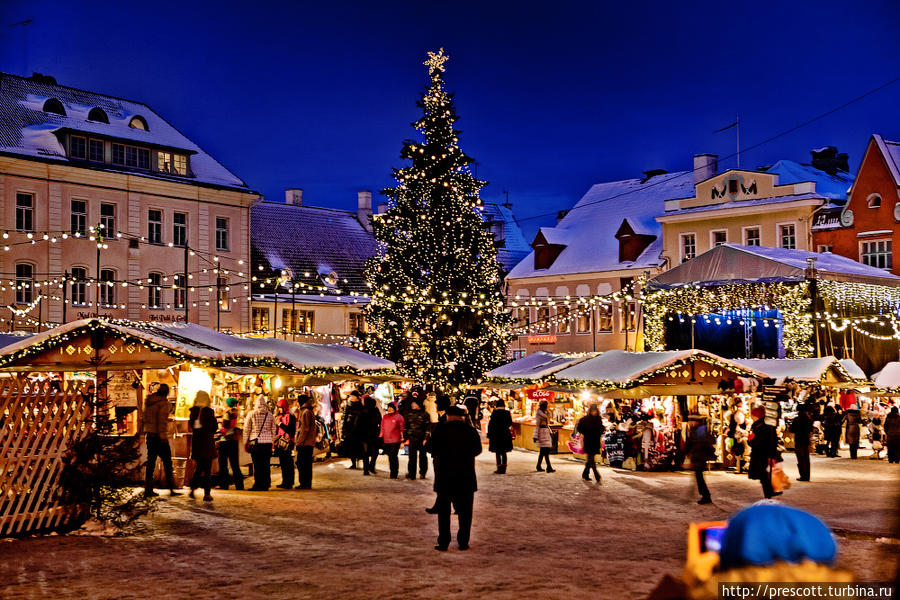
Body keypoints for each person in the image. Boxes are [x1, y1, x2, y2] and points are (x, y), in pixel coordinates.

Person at [426, 405, 482, 551]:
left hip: (445, 477)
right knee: (465, 513)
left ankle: (444, 542)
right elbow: (478, 449)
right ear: (461, 416)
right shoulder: (470, 430)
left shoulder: (440, 430)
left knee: (444, 513)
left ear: (448, 416)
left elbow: (430, 448)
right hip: (465, 477)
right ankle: (463, 542)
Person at [143, 383, 180, 497]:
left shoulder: (149, 402)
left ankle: (148, 489)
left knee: (151, 463)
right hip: (159, 437)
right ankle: (171, 488)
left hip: (150, 435)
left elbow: (145, 418)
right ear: (166, 393)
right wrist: (163, 437)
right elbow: (161, 422)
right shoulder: (163, 403)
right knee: (167, 463)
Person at [188, 390, 218, 501]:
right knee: (207, 469)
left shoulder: (193, 411)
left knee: (199, 467)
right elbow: (214, 427)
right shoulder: (209, 412)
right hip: (207, 443)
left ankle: (193, 488)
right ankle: (207, 493)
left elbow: (191, 425)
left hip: (197, 443)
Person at [243, 396, 276, 491]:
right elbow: (273, 429)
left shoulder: (251, 413)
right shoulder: (270, 414)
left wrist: (245, 442)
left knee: (257, 465)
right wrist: (272, 440)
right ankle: (266, 484)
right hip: (267, 442)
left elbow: (246, 429)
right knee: (266, 464)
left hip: (256, 442)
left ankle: (258, 485)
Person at [748, 405, 779, 499]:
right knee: (766, 474)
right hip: (768, 452)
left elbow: (756, 442)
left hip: (760, 454)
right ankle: (770, 491)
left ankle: (768, 493)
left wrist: (750, 440)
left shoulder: (758, 426)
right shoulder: (769, 424)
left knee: (763, 475)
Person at [684, 415, 714, 504]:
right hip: (698, 457)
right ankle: (705, 495)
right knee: (699, 476)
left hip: (699, 457)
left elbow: (697, 444)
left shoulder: (699, 431)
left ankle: (706, 495)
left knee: (699, 477)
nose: (690, 423)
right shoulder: (698, 430)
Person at [217, 398, 244, 490]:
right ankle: (239, 485)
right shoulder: (235, 412)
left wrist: (220, 428)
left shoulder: (227, 413)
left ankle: (224, 484)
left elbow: (225, 426)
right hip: (234, 441)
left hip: (226, 441)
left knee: (223, 464)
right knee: (234, 464)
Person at [577, 403, 604, 482]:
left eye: (595, 411)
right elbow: (579, 428)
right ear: (590, 411)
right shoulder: (585, 419)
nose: (594, 412)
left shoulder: (598, 419)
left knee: (590, 458)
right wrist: (586, 432)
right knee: (591, 458)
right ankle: (596, 474)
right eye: (593, 411)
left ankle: (585, 473)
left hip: (595, 440)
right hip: (588, 440)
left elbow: (600, 428)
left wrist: (601, 430)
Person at [402, 399, 430, 479]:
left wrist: (426, 438)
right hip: (412, 438)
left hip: (421, 438)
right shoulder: (409, 414)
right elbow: (406, 426)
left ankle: (423, 472)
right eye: (412, 404)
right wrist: (405, 437)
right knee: (412, 457)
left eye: (414, 404)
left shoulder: (425, 414)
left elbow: (428, 428)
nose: (413, 405)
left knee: (422, 456)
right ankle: (412, 473)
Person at [295, 394, 317, 489]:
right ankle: (307, 483)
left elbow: (304, 429)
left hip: (305, 443)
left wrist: (299, 442)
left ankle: (304, 483)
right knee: (306, 464)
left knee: (302, 463)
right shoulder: (308, 411)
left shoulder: (305, 412)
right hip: (308, 443)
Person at [274, 398, 296, 489]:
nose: (279, 409)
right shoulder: (280, 416)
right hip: (281, 442)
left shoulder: (290, 416)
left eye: (280, 407)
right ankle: (285, 481)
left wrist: (280, 424)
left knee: (288, 463)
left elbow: (290, 431)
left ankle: (289, 482)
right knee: (283, 463)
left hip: (287, 442)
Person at [379, 401, 406, 479]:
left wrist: (402, 437)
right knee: (390, 456)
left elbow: (402, 428)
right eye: (389, 408)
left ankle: (394, 472)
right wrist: (381, 435)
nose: (390, 409)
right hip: (387, 439)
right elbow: (382, 427)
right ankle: (392, 471)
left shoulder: (399, 417)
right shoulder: (385, 417)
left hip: (395, 439)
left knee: (393, 455)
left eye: (391, 408)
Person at [487, 399, 513, 474]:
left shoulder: (494, 413)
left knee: (498, 452)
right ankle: (504, 468)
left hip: (496, 434)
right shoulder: (507, 413)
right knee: (504, 452)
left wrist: (489, 434)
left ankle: (499, 467)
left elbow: (491, 424)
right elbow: (509, 423)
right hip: (505, 434)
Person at [341, 391, 365, 469]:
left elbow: (362, 415)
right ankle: (353, 462)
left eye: (353, 396)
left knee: (357, 445)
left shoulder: (361, 405)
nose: (352, 397)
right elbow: (345, 416)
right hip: (349, 428)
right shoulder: (348, 404)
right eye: (351, 396)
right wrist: (344, 427)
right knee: (350, 446)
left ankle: (358, 460)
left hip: (358, 428)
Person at [789, 404, 813, 481]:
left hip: (799, 440)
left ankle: (803, 475)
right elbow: (810, 430)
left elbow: (791, 430)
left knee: (800, 458)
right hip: (806, 440)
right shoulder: (808, 419)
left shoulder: (797, 419)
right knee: (806, 458)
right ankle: (807, 475)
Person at [361, 395, 382, 475]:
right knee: (375, 451)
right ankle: (371, 466)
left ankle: (366, 470)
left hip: (365, 434)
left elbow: (359, 423)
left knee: (365, 452)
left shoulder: (363, 410)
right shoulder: (375, 410)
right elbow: (380, 421)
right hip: (374, 433)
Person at [534, 400, 555, 472]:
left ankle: (539, 466)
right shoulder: (539, 415)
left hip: (546, 433)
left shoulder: (546, 413)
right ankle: (548, 467)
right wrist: (535, 436)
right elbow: (537, 426)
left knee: (543, 451)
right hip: (542, 434)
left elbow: (549, 418)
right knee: (545, 451)